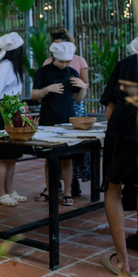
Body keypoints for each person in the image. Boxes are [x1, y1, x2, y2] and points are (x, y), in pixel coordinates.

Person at [100, 37, 138, 275]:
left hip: (128, 130)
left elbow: (110, 109)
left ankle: (122, 261)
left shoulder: (128, 63)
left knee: (114, 188)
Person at [31, 41, 88, 206]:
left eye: (67, 62)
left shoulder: (72, 73)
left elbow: (77, 99)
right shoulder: (43, 72)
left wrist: (82, 88)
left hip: (67, 118)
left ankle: (68, 191)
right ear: (53, 57)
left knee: (67, 158)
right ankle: (50, 189)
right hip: (48, 118)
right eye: (61, 61)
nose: (64, 65)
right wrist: (47, 90)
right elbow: (34, 94)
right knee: (50, 157)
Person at [44, 29, 90, 196]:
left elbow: (86, 84)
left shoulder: (78, 61)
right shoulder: (48, 63)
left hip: (74, 106)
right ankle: (52, 184)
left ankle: (73, 183)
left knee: (74, 148)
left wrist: (81, 85)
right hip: (54, 108)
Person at [0, 32, 27, 206]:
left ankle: (10, 190)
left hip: (13, 112)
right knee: (3, 156)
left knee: (12, 156)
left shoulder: (13, 66)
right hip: (4, 113)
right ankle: (1, 193)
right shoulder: (5, 67)